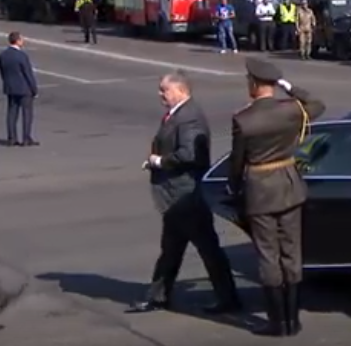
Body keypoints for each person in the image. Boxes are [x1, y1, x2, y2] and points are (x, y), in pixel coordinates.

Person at [130, 71, 241, 314]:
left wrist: (159, 161)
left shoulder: (189, 117)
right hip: (177, 198)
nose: (160, 94)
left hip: (187, 196)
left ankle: (228, 299)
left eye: (164, 90)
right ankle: (158, 297)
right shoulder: (179, 114)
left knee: (207, 249)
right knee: (171, 250)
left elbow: (190, 154)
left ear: (180, 90)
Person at [229, 58, 326, 336]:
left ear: (254, 83)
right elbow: (317, 104)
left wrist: (233, 188)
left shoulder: (244, 120)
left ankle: (277, 322)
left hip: (260, 190)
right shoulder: (292, 110)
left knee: (268, 255)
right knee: (291, 252)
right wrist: (289, 87)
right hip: (289, 185)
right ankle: (293, 321)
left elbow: (237, 162)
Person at [0, 32, 39, 147]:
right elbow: (28, 73)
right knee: (27, 114)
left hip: (10, 88)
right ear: (18, 41)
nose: (23, 41)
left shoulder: (3, 55)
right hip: (24, 89)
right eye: (21, 39)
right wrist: (34, 89)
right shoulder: (22, 56)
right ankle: (26, 138)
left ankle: (11, 138)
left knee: (11, 114)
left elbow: (2, 71)